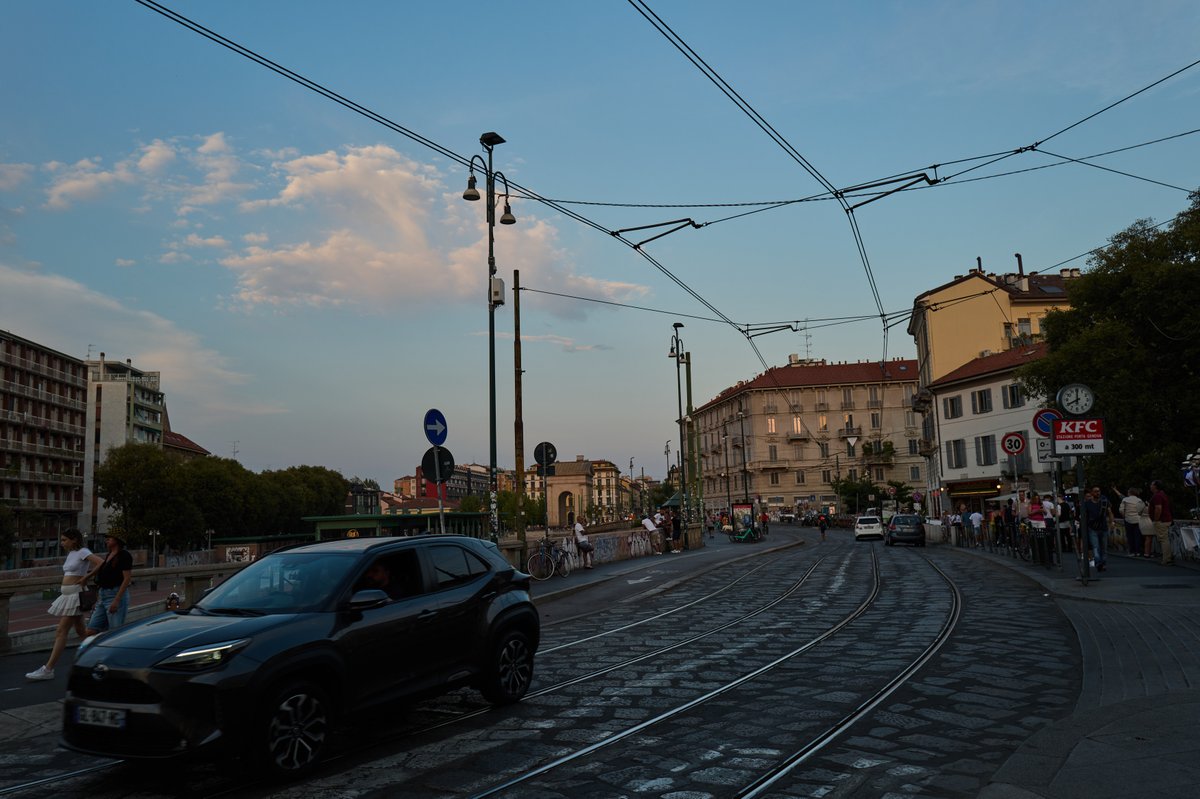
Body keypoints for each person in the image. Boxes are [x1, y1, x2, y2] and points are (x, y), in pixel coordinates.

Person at [26, 528, 104, 681]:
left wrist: (86, 577)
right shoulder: (71, 554)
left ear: (74, 539)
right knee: (82, 632)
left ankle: (48, 669)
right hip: (68, 594)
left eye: (64, 540)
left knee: (61, 631)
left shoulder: (83, 551)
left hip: (75, 595)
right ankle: (100, 658)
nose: (62, 543)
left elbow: (101, 562)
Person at [86, 532, 134, 637]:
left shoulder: (124, 555)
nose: (106, 540)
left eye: (109, 539)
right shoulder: (109, 555)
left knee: (115, 633)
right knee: (91, 630)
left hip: (115, 594)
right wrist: (99, 598)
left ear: (116, 541)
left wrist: (116, 601)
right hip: (103, 595)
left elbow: (126, 579)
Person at [1081, 487, 1112, 572]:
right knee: (1096, 546)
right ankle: (1098, 563)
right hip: (1092, 528)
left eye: (1098, 491)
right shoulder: (1087, 503)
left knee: (1103, 547)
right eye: (1095, 491)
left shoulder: (1104, 502)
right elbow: (1084, 516)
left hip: (1103, 527)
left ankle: (1103, 563)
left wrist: (1111, 522)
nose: (1097, 493)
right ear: (1092, 493)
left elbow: (1109, 512)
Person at [1116, 486, 1146, 557]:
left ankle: (1132, 552)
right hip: (1138, 520)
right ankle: (1138, 551)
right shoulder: (1139, 500)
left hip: (1128, 520)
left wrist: (1125, 516)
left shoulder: (1125, 499)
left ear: (1129, 492)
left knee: (1130, 536)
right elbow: (1143, 509)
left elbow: (1121, 510)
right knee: (1137, 536)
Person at [1149, 479, 1174, 566]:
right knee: (1164, 539)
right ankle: (1167, 558)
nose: (1150, 486)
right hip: (1165, 519)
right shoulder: (1162, 494)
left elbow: (1158, 508)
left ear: (1155, 486)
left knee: (1163, 540)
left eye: (1151, 484)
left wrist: (1156, 520)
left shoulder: (1157, 496)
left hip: (1161, 520)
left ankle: (1166, 559)